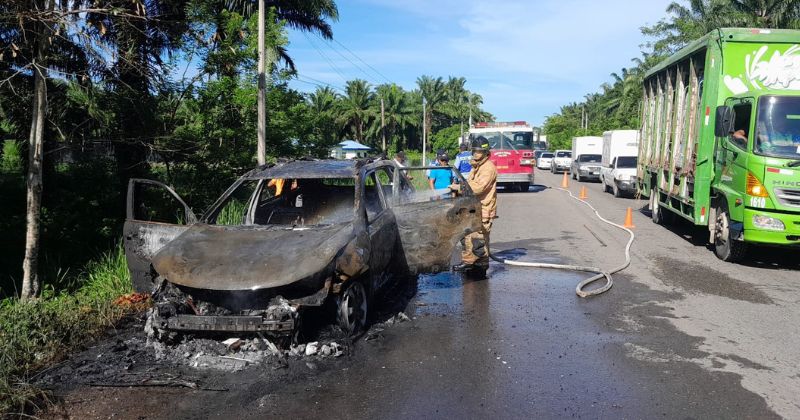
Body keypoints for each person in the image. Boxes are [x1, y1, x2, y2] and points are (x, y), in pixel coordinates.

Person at [451, 136, 497, 272]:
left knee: (478, 240)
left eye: (479, 151)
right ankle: (469, 262)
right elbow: (470, 183)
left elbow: (478, 188)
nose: (476, 154)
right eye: (474, 151)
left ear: (485, 152)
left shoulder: (488, 168)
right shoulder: (477, 166)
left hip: (483, 209)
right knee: (468, 236)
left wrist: (459, 188)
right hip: (474, 208)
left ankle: (480, 266)